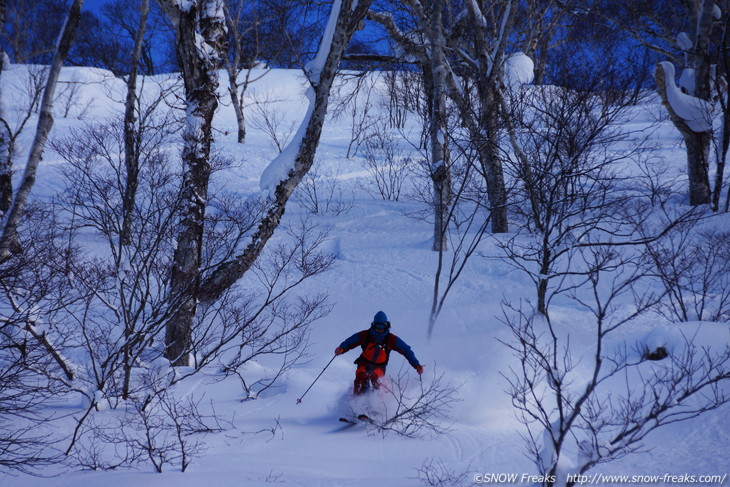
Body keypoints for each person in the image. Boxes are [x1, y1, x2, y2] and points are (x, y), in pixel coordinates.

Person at [335, 311, 424, 395]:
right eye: (377, 326)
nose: (379, 329)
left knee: (374, 378)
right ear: (373, 325)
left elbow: (406, 350)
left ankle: (376, 405)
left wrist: (416, 365)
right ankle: (356, 402)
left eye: (382, 327)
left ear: (386, 326)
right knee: (361, 377)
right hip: (364, 363)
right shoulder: (366, 335)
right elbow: (350, 341)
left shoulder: (390, 339)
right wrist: (342, 348)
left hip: (380, 367)